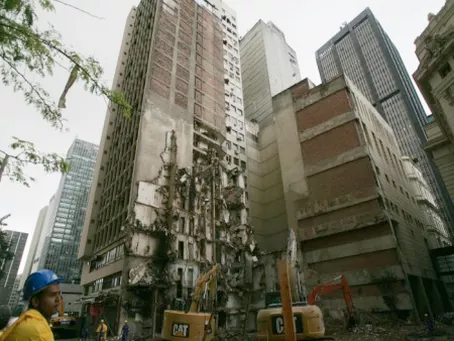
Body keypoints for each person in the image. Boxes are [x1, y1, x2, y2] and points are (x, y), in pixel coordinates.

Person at [0, 269, 62, 341]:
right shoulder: (38, 331)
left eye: (59, 294)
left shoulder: (27, 321)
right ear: (35, 301)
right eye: (52, 295)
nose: (58, 299)